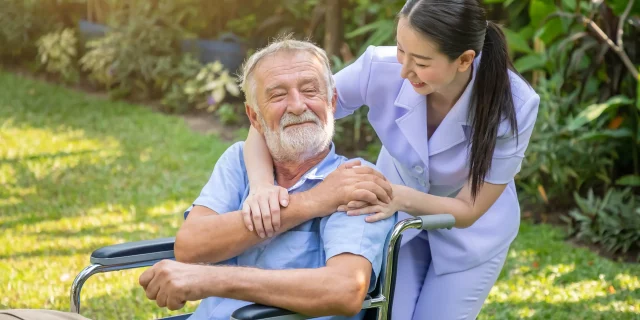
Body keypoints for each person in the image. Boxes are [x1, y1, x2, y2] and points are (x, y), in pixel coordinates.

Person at [0, 38, 395, 320]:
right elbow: (191, 245)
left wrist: (210, 279)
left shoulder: (354, 181)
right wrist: (310, 203)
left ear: (330, 103)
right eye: (277, 95)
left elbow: (345, 291)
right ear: (254, 118)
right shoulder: (238, 162)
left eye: (310, 90)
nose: (297, 105)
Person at [241, 1, 540, 319]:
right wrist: (261, 187)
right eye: (401, 50)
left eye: (421, 62)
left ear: (464, 59)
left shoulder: (515, 106)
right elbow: (273, 118)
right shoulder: (378, 68)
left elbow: (469, 210)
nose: (404, 70)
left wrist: (393, 195)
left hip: (468, 234)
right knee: (389, 315)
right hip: (397, 224)